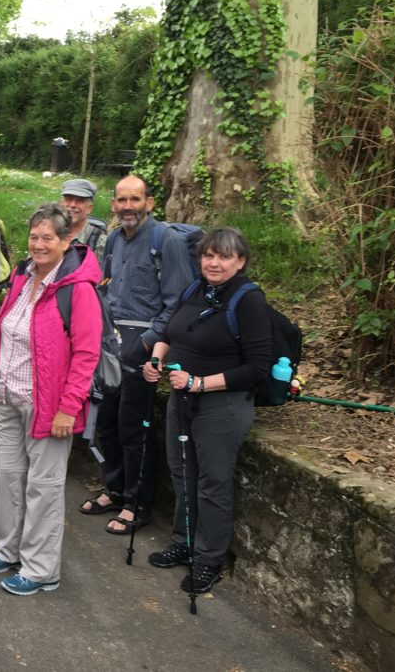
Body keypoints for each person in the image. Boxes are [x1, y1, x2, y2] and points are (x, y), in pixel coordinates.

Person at [0, 203, 102, 595]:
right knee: (10, 479)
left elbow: (86, 354)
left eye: (48, 237)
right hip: (12, 397)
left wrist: (69, 406)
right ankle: (9, 549)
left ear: (67, 241)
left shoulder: (77, 289)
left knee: (43, 486)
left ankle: (41, 568)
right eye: (34, 236)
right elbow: (5, 332)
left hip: (48, 406)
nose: (39, 244)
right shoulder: (20, 274)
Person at [142, 227, 271, 594]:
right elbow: (169, 333)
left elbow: (257, 369)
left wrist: (200, 383)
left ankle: (208, 559)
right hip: (183, 398)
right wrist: (155, 360)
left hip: (222, 405)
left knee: (213, 483)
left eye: (224, 256)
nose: (214, 262)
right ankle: (183, 543)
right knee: (183, 474)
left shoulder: (249, 301)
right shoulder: (195, 289)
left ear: (240, 261)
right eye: (208, 255)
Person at [81, 175, 194, 534]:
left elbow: (177, 302)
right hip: (110, 341)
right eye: (122, 200)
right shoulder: (114, 238)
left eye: (135, 199)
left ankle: (136, 502)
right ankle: (114, 488)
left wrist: (148, 342)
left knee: (135, 427)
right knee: (107, 423)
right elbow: (109, 287)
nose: (128, 206)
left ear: (150, 201)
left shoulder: (168, 241)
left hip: (144, 343)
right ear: (113, 204)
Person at [60, 178, 108, 258]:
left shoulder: (98, 240)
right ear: (61, 203)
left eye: (80, 200)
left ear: (89, 208)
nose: (73, 205)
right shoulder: (51, 232)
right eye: (68, 199)